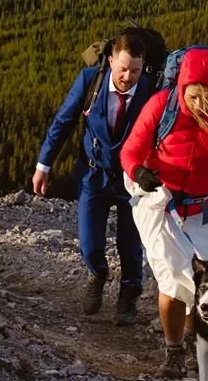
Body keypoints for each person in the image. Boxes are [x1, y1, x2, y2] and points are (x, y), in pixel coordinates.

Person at [121, 45, 208, 378]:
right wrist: (137, 171)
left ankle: (189, 338)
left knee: (198, 282)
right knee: (171, 281)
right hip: (161, 207)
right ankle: (174, 349)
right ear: (182, 88)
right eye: (194, 97)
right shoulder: (161, 106)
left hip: (202, 213)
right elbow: (131, 150)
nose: (201, 105)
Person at [34, 27, 159, 325]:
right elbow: (63, 121)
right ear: (112, 59)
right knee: (90, 242)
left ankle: (129, 294)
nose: (128, 76)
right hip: (93, 174)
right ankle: (97, 272)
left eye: (136, 70)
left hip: (132, 181)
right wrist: (44, 165)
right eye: (124, 68)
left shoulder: (151, 92)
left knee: (130, 245)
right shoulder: (90, 81)